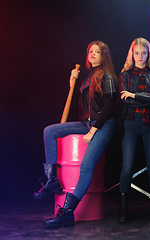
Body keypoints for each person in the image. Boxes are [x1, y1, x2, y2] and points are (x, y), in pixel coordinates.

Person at [33, 41, 119, 228]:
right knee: (49, 131)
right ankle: (52, 180)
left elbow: (109, 108)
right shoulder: (88, 77)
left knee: (86, 166)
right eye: (91, 51)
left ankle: (67, 213)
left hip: (103, 125)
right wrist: (72, 83)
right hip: (85, 123)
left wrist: (94, 130)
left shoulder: (107, 76)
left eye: (98, 52)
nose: (93, 54)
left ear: (104, 55)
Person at [117, 37, 150, 223]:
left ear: (149, 54)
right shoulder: (124, 75)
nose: (140, 56)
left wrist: (135, 95)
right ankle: (123, 211)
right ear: (132, 53)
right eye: (136, 53)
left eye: (143, 53)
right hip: (131, 123)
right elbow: (126, 101)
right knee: (127, 167)